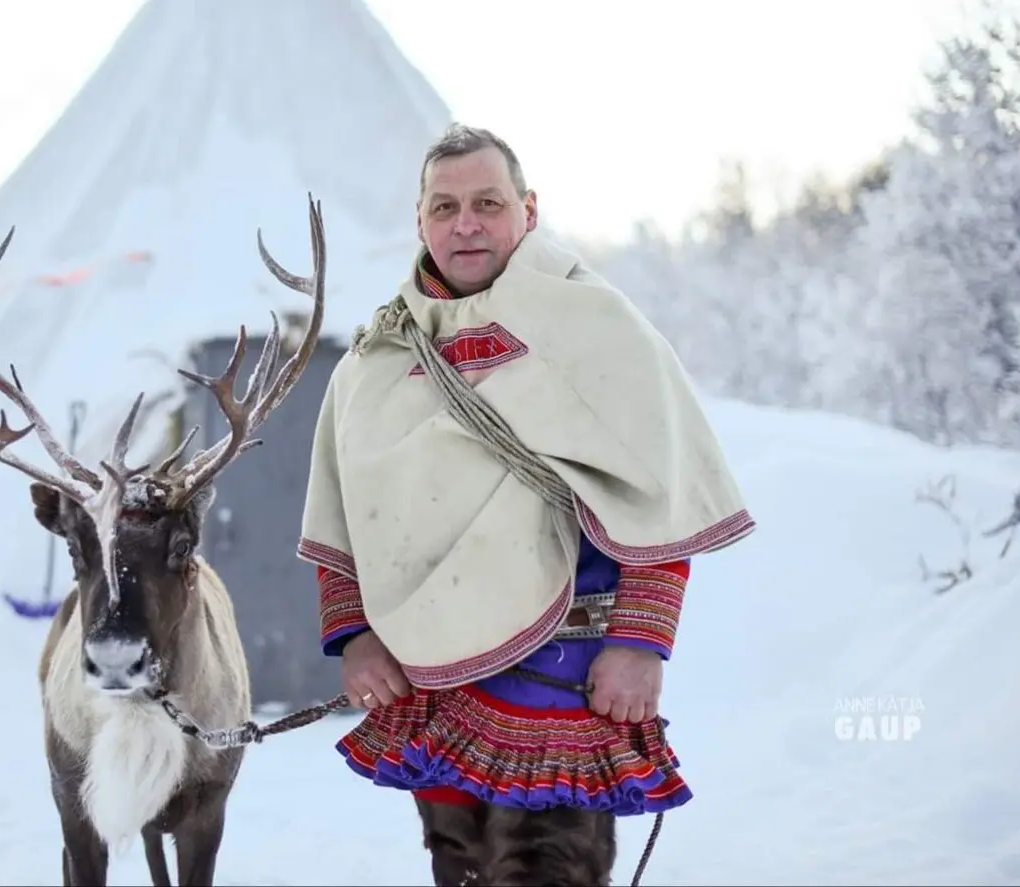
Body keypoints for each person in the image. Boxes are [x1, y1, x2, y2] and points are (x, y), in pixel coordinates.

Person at [295, 123, 756, 886]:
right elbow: (343, 511)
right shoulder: (379, 356)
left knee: (549, 870)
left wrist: (642, 641)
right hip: (433, 679)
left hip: (566, 671)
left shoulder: (599, 328)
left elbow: (661, 489)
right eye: (444, 207)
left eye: (487, 202)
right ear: (420, 220)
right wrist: (354, 637)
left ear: (528, 211)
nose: (465, 223)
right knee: (461, 865)